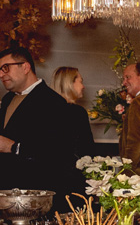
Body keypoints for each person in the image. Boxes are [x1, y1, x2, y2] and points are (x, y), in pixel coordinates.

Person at [0, 44, 73, 204]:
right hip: (5, 193)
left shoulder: (53, 102)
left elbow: (57, 152)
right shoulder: (7, 99)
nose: (1, 74)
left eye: (5, 68)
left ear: (25, 67)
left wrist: (13, 147)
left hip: (34, 195)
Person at [52, 66, 94, 160]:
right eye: (81, 81)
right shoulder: (77, 112)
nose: (83, 86)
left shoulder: (47, 110)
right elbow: (86, 149)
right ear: (70, 83)